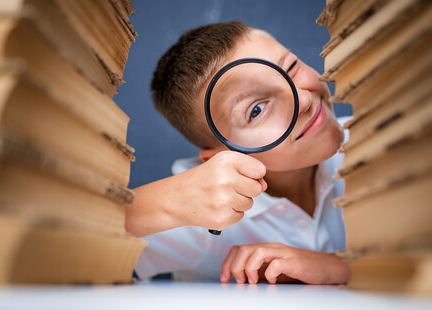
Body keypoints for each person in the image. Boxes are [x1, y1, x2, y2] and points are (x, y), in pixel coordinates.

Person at [126, 21, 351, 285]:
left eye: (290, 67)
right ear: (222, 157)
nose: (304, 100)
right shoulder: (199, 219)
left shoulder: (374, 136)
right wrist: (167, 202)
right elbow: (68, 240)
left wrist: (335, 266)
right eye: (256, 110)